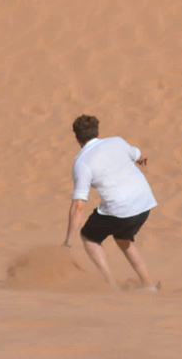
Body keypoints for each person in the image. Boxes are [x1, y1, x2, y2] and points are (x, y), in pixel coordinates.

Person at [62, 114, 159, 292]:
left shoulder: (82, 163)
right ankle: (147, 284)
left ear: (77, 139)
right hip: (145, 202)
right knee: (123, 237)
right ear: (97, 133)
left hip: (122, 209)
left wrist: (68, 242)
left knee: (89, 237)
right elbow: (138, 154)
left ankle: (110, 285)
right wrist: (141, 159)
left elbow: (78, 206)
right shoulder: (117, 142)